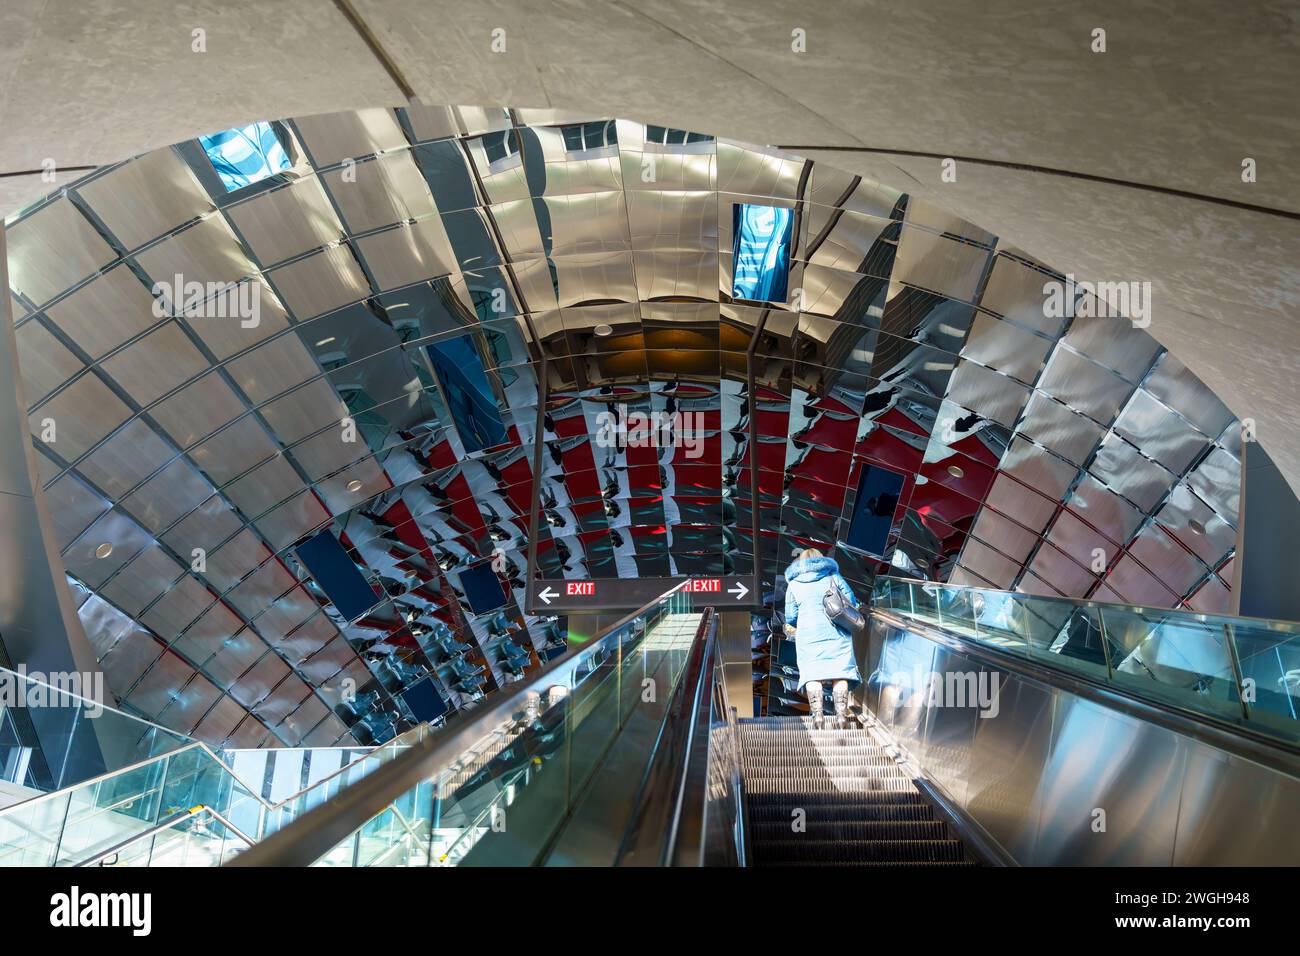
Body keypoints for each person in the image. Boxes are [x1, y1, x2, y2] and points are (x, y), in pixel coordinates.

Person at [784, 548, 862, 729]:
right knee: (840, 671)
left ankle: (818, 716)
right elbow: (850, 601)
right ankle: (841, 716)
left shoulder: (794, 584)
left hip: (808, 636)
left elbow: (790, 617)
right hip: (837, 632)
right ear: (821, 560)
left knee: (812, 673)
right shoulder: (833, 577)